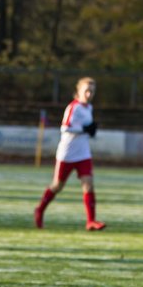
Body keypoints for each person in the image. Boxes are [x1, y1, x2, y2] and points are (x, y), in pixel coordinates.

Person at [34, 76, 105, 231]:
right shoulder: (74, 107)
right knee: (57, 186)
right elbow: (65, 128)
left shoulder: (89, 108)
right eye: (86, 91)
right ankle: (39, 209)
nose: (89, 94)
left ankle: (91, 221)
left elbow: (83, 128)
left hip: (84, 153)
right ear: (79, 91)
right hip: (67, 153)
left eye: (92, 92)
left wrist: (89, 131)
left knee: (89, 185)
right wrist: (84, 130)